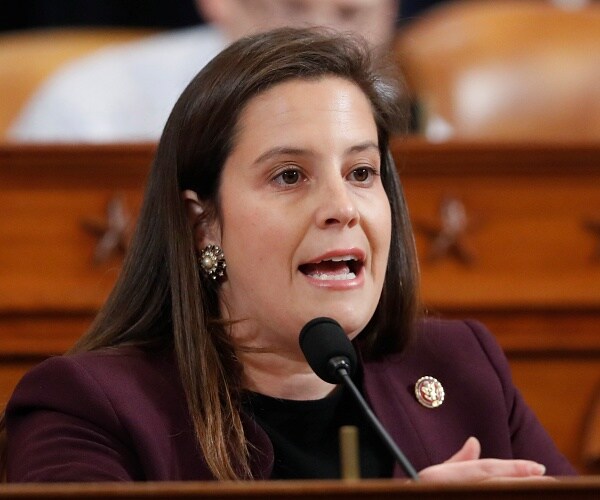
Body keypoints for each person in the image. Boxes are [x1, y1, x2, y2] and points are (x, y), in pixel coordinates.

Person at [1, 27, 575, 482]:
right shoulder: (86, 410)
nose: (341, 207)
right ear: (203, 224)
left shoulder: (464, 368)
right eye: (291, 175)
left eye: (361, 172)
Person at [7, 0, 399, 143]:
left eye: (352, 15)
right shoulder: (86, 105)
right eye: (293, 11)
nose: (322, 40)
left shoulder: (406, 108)